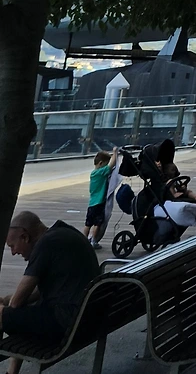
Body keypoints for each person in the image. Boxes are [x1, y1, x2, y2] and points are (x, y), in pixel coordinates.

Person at [2, 211, 100, 372]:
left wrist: (6, 305)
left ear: (25, 237)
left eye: (12, 246)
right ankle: (11, 372)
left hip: (67, 324)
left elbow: (16, 303)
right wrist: (5, 300)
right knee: (23, 313)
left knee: (3, 314)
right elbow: (37, 293)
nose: (13, 252)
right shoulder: (65, 232)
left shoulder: (45, 244)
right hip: (88, 319)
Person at [83, 148, 117, 247]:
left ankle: (83, 239)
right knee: (97, 224)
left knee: (88, 224)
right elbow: (112, 165)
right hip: (99, 203)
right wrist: (115, 152)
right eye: (105, 164)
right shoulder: (100, 173)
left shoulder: (93, 173)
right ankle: (93, 241)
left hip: (91, 203)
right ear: (101, 163)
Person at [152, 180, 196, 245]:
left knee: (188, 192)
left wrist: (182, 187)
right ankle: (191, 196)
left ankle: (195, 196)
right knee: (171, 184)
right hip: (169, 197)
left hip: (173, 195)